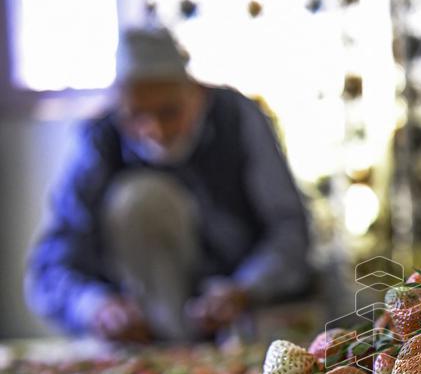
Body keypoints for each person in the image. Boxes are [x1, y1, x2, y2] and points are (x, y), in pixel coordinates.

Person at [26, 27, 313, 342]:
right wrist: (95, 307)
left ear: (197, 91)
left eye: (169, 112)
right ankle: (171, 353)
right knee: (141, 198)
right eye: (136, 115)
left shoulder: (239, 118)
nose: (154, 130)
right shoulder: (100, 138)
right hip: (142, 333)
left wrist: (246, 288)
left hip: (243, 320)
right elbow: (49, 269)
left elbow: (290, 230)